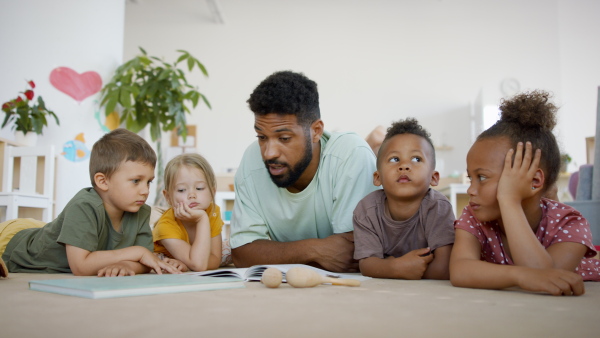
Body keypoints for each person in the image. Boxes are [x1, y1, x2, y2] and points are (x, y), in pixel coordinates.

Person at [450, 90, 600, 296]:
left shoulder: (571, 224)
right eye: (470, 178)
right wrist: (519, 276)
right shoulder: (473, 216)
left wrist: (509, 200)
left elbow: (547, 279)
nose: (470, 190)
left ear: (535, 181)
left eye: (482, 178)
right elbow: (460, 270)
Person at [230, 70, 379, 272]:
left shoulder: (350, 154)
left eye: (284, 138)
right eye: (261, 137)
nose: (268, 153)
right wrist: (315, 250)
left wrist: (270, 254)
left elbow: (351, 254)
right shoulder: (251, 159)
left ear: (316, 131)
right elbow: (241, 254)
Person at [0, 128, 181, 277]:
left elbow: (146, 262)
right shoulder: (84, 205)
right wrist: (137, 253)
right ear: (103, 181)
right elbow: (81, 266)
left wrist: (128, 266)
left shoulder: (141, 212)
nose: (145, 190)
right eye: (136, 181)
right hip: (11, 241)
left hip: (45, 229)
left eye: (148, 182)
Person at [353, 118, 455, 279]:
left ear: (433, 177)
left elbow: (444, 267)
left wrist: (410, 270)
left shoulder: (438, 207)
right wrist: (395, 268)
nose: (404, 166)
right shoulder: (366, 210)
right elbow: (366, 264)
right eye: (394, 159)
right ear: (377, 177)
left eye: (416, 159)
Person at [152, 153, 224, 271]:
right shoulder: (166, 226)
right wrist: (202, 219)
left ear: (213, 192)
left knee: (232, 249)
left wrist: (190, 263)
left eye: (199, 188)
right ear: (168, 197)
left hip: (193, 259)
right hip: (164, 258)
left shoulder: (213, 211)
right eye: (181, 190)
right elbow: (199, 265)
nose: (192, 195)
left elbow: (215, 260)